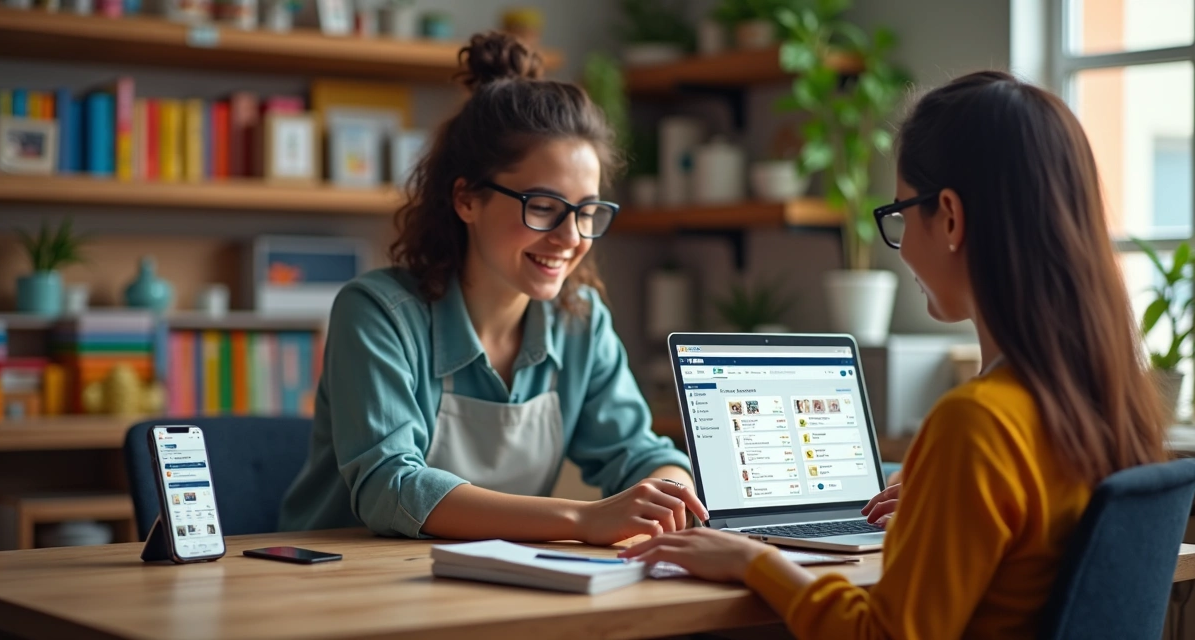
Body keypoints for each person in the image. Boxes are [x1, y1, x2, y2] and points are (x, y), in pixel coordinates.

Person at [619, 71, 1169, 639]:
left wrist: (754, 561)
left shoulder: (979, 423)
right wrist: (941, 506)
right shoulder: (1106, 403)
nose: (902, 247)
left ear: (950, 217)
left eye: (902, 214)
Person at [279, 32, 705, 544]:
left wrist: (669, 492)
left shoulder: (581, 322)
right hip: (343, 576)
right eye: (543, 207)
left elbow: (642, 455)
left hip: (490, 577)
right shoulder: (378, 313)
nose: (571, 238)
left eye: (587, 211)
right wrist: (582, 519)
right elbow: (390, 487)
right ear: (466, 200)